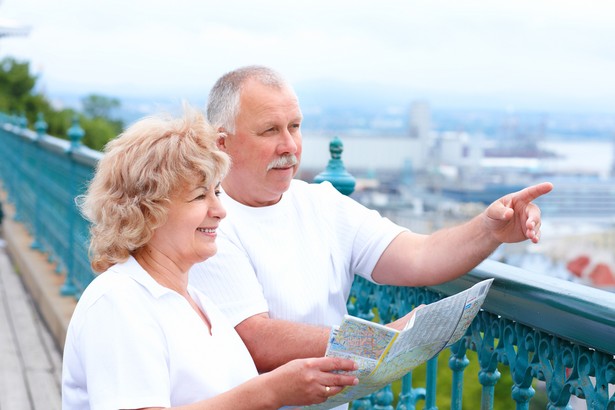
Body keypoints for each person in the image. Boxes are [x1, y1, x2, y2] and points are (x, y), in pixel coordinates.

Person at [189, 65, 554, 376]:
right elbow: (253, 339)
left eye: (295, 126)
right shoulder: (204, 220)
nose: (290, 146)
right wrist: (378, 342)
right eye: (270, 130)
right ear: (222, 143)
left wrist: (490, 229)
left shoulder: (323, 204)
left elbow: (420, 255)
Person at [61, 106, 360, 409]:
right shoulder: (119, 303)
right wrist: (272, 391)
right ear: (148, 211)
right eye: (199, 196)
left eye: (216, 192)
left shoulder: (197, 302)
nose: (220, 210)